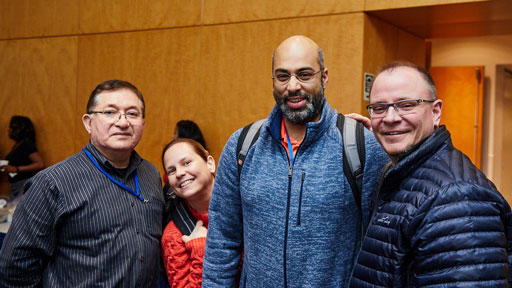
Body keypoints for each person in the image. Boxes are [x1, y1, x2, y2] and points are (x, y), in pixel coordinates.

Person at [202, 35, 389, 287]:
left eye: (304, 74)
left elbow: (383, 245)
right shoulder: (242, 145)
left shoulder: (360, 146)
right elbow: (222, 241)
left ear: (324, 77)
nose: (292, 86)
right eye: (282, 76)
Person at [349, 61, 512, 287]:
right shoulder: (399, 172)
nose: (390, 118)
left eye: (406, 105)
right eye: (379, 107)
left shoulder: (458, 198)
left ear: (436, 112)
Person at [0, 79, 164, 287]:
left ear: (143, 123)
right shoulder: (53, 183)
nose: (122, 122)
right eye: (110, 112)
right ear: (88, 122)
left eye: (132, 114)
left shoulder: (151, 175)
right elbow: (15, 267)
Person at [161, 138, 215, 287]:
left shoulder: (244, 209)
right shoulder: (174, 235)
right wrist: (199, 248)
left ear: (210, 163)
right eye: (171, 170)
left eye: (186, 163)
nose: (179, 173)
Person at [1, 115, 44, 200]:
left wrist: (16, 169)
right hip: (14, 186)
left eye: (10, 127)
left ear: (18, 129)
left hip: (24, 185)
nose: (8, 130)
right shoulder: (16, 145)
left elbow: (40, 164)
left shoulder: (27, 144)